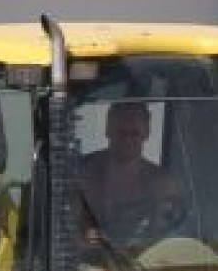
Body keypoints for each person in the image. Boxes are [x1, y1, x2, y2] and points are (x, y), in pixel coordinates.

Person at [79, 100, 185, 248]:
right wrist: (82, 236)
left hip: (139, 266)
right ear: (108, 129)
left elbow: (165, 239)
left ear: (146, 133)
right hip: (86, 264)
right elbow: (61, 226)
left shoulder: (162, 183)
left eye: (134, 133)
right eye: (121, 133)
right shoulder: (81, 173)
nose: (127, 139)